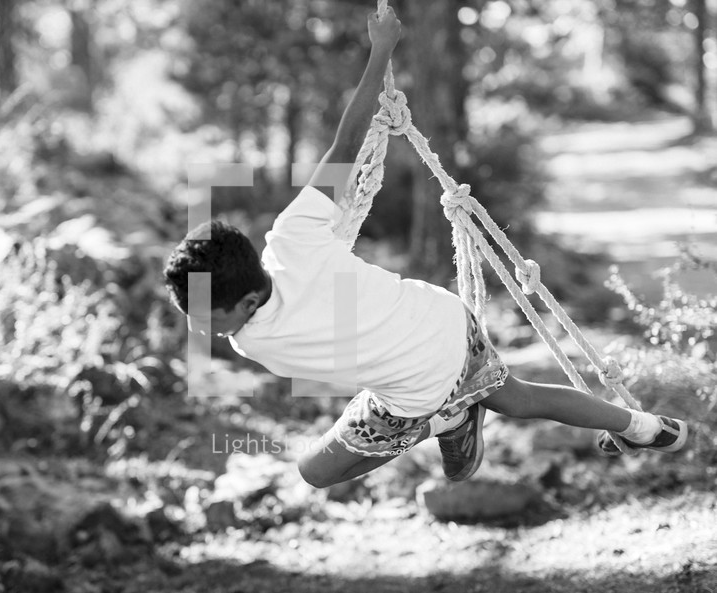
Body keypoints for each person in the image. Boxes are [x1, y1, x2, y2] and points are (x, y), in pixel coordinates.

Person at [163, 7, 688, 487]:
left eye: (208, 317)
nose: (200, 329)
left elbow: (346, 149)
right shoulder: (292, 236)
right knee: (521, 399)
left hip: (415, 391)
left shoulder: (253, 342)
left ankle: (446, 416)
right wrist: (380, 52)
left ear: (248, 303)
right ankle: (646, 425)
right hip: (447, 321)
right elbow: (344, 148)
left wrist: (429, 405)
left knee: (314, 471)